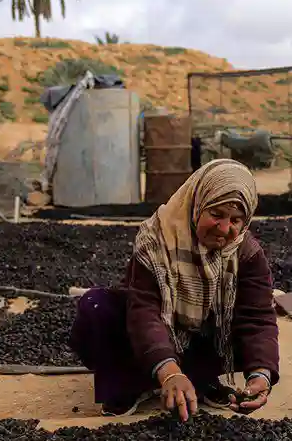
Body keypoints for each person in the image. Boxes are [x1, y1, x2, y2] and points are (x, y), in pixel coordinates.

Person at [69, 159, 279, 421]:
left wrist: (261, 374)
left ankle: (201, 380)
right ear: (197, 204)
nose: (225, 229)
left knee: (242, 328)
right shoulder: (157, 239)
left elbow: (257, 318)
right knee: (96, 306)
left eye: (236, 219)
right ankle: (127, 385)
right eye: (216, 214)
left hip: (200, 341)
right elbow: (145, 311)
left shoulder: (246, 253)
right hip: (147, 339)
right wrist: (168, 372)